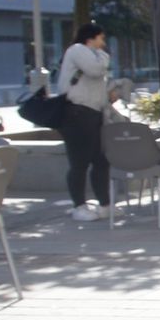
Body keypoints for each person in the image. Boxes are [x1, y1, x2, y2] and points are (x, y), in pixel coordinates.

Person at [58, 23, 113, 221]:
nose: (103, 43)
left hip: (94, 112)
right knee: (79, 161)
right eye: (101, 38)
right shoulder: (78, 50)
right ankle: (79, 205)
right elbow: (94, 70)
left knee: (100, 160)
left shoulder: (93, 54)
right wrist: (104, 57)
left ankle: (104, 204)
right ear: (90, 38)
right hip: (77, 113)